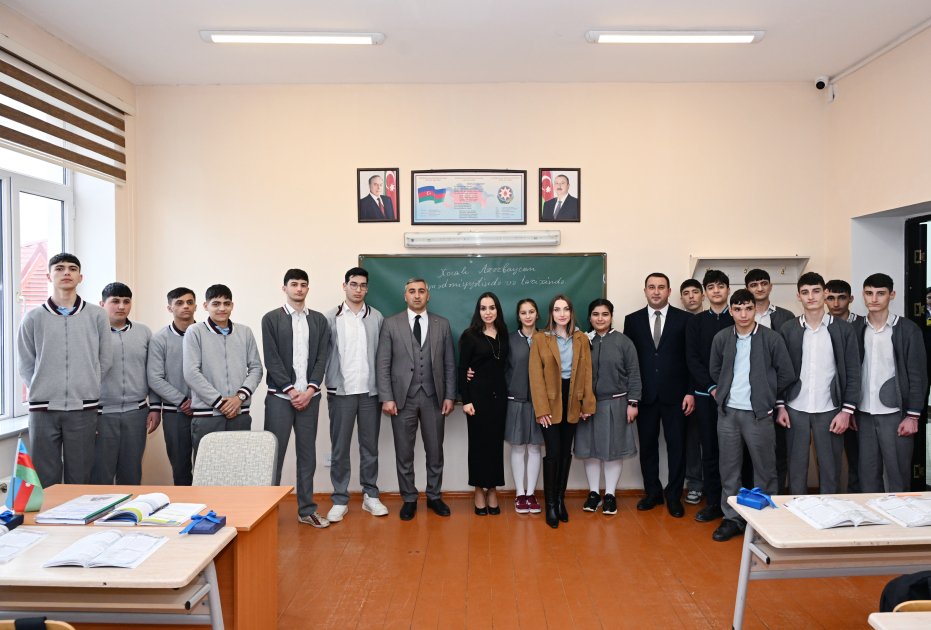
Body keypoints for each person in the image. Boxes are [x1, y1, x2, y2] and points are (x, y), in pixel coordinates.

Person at [17, 253, 111, 488]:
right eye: (59, 268)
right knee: (45, 478)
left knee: (80, 476)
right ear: (49, 276)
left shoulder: (97, 315)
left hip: (84, 407)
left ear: (80, 277)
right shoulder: (33, 317)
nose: (66, 272)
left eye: (72, 268)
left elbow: (105, 358)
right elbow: (26, 363)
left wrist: (89, 385)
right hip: (43, 409)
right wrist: (41, 389)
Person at [709, 289, 795, 542]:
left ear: (755, 309)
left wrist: (767, 395)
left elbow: (786, 373)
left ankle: (765, 521)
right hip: (728, 414)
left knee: (765, 469)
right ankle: (732, 518)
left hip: (759, 414)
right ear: (731, 311)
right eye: (737, 309)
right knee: (729, 469)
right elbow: (715, 368)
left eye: (748, 308)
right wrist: (723, 390)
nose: (743, 314)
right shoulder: (722, 337)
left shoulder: (771, 338)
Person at [376, 278, 456, 521]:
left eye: (421, 291)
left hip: (434, 398)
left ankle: (434, 496)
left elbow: (449, 364)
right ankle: (409, 498)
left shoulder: (442, 324)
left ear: (428, 295)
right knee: (404, 452)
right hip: (402, 399)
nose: (417, 295)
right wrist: (387, 397)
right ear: (405, 296)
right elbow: (383, 364)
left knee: (435, 451)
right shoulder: (391, 324)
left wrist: (450, 395)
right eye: (412, 291)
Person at [776, 272, 860, 495]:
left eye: (816, 291)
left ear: (825, 293)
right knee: (796, 468)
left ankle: (828, 512)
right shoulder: (788, 329)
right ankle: (797, 510)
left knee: (831, 469)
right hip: (795, 408)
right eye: (805, 292)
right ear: (799, 296)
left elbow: (853, 372)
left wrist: (846, 411)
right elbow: (780, 371)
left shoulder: (843, 330)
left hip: (831, 409)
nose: (811, 296)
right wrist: (781, 406)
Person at [261, 269, 330, 529]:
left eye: (303, 284)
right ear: (285, 288)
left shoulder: (319, 320)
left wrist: (309, 390)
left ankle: (306, 510)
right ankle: (267, 513)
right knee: (274, 455)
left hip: (310, 398)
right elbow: (272, 359)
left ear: (307, 288)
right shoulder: (271, 319)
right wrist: (291, 391)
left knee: (307, 454)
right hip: (280, 398)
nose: (299, 289)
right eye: (294, 284)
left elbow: (322, 357)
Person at [623, 273, 695, 518]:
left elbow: (690, 359)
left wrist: (690, 392)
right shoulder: (632, 320)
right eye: (651, 287)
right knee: (648, 447)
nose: (656, 291)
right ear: (645, 291)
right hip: (645, 396)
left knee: (677, 448)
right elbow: (629, 362)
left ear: (669, 291)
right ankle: (652, 492)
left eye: (661, 287)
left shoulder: (685, 319)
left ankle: (674, 496)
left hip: (677, 396)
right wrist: (632, 396)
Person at [852, 273, 927, 492]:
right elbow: (851, 372)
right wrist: (851, 408)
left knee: (897, 475)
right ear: (863, 295)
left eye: (880, 293)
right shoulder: (856, 328)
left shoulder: (908, 329)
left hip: (896, 413)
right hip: (864, 413)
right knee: (867, 475)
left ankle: (900, 514)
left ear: (891, 295)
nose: (874, 299)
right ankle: (872, 514)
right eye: (869, 293)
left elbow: (918, 376)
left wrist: (913, 416)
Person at [324, 267, 388, 521]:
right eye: (353, 284)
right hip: (341, 393)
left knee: (369, 448)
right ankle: (340, 499)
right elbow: (321, 355)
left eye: (362, 285)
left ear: (367, 288)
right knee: (339, 448)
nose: (358, 289)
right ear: (345, 286)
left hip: (369, 394)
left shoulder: (377, 317)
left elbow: (383, 357)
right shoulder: (330, 318)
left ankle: (370, 495)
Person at [528, 294, 595, 528]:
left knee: (566, 452)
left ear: (571, 312)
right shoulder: (540, 338)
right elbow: (535, 376)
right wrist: (541, 409)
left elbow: (587, 373)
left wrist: (587, 404)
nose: (562, 314)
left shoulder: (581, 338)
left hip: (573, 398)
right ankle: (550, 506)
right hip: (550, 402)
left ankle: (559, 500)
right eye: (557, 310)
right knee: (553, 452)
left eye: (566, 309)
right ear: (551, 314)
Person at [575, 299, 641, 516]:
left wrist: (633, 403)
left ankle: (610, 495)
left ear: (611, 316)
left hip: (617, 403)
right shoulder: (583, 341)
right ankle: (594, 493)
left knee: (613, 451)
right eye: (595, 314)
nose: (600, 318)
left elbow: (634, 373)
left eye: (605, 314)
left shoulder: (624, 342)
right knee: (590, 451)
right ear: (589, 317)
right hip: (588, 405)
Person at [183, 284, 263, 456]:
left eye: (226, 303)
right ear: (206, 306)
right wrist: (220, 403)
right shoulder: (195, 332)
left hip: (240, 413)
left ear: (232, 305)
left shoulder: (245, 332)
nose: (222, 308)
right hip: (207, 416)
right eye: (216, 304)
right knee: (207, 468)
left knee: (239, 466)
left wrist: (239, 398)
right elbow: (191, 373)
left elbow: (256, 368)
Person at [92, 282, 158, 485]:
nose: (121, 306)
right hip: (101, 414)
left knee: (131, 474)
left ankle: (129, 506)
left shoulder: (144, 332)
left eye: (126, 301)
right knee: (100, 475)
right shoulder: (92, 332)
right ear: (102, 304)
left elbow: (153, 373)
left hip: (136, 413)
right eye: (115, 301)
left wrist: (155, 407)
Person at [685, 269, 734, 524]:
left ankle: (735, 503)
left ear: (728, 290)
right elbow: (692, 358)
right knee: (710, 449)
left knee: (735, 451)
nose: (716, 291)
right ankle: (714, 502)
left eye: (721, 286)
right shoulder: (696, 322)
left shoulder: (738, 318)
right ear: (705, 292)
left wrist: (725, 387)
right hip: (706, 395)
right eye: (711, 287)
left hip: (735, 397)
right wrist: (712, 386)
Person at [744, 268, 795, 493]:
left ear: (771, 286)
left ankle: (776, 496)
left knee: (778, 449)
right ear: (747, 289)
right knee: (749, 450)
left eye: (764, 283)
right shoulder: (741, 315)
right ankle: (750, 496)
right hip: (747, 396)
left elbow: (789, 361)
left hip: (778, 396)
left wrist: (777, 395)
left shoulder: (786, 317)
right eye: (754, 285)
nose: (759, 288)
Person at [459, 292, 509, 515]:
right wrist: (466, 400)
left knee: (495, 447)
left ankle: (493, 490)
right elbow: (462, 369)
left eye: (492, 307)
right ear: (478, 311)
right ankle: (479, 490)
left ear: (497, 309)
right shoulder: (470, 335)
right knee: (479, 446)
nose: (488, 312)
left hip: (500, 399)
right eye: (483, 308)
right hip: (477, 400)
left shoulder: (504, 333)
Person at [147, 287, 197, 485]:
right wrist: (182, 401)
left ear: (196, 306)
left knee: (208, 465)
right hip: (175, 412)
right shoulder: (160, 339)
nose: (185, 306)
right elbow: (155, 377)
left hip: (206, 411)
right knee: (180, 468)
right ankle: (185, 503)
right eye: (179, 303)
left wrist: (203, 400)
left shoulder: (205, 334)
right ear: (170, 308)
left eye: (190, 302)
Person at [505, 298, 544, 514]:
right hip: (516, 401)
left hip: (540, 404)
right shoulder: (510, 340)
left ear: (537, 314)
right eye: (523, 312)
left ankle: (531, 494)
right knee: (518, 447)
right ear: (518, 316)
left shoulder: (546, 338)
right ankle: (520, 493)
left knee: (535, 447)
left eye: (531, 311)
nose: (528, 316)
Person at [825, 278, 862, 491]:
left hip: (859, 402)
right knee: (830, 459)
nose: (836, 303)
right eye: (831, 298)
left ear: (851, 299)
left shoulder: (862, 325)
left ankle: (857, 498)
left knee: (859, 457)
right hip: (831, 403)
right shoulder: (820, 325)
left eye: (841, 298)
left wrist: (852, 406)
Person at [679, 277, 705, 504]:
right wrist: (690, 391)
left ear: (702, 295)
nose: (691, 297)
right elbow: (685, 361)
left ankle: (718, 486)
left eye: (695, 292)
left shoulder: (718, 320)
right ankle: (695, 485)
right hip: (688, 393)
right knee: (692, 441)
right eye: (686, 293)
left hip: (715, 392)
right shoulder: (680, 322)